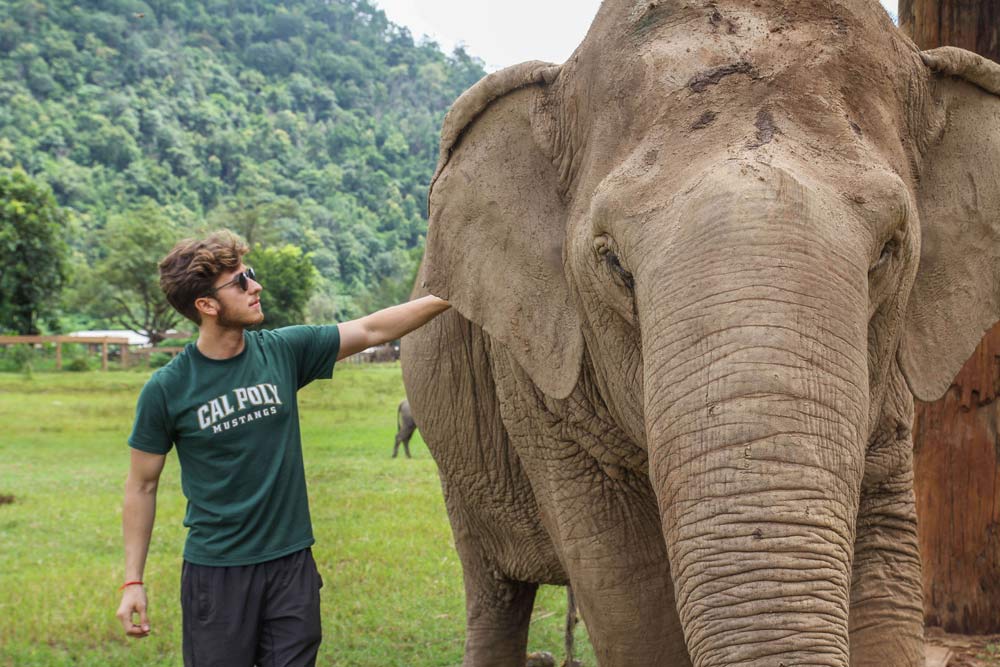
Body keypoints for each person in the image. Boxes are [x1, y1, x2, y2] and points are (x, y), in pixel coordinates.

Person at [114, 230, 449, 666]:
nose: (255, 286)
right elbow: (141, 486)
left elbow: (370, 328)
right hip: (217, 575)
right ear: (206, 305)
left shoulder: (282, 352)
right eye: (239, 282)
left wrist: (450, 295)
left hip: (292, 566)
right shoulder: (167, 389)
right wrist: (132, 581)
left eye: (248, 274)